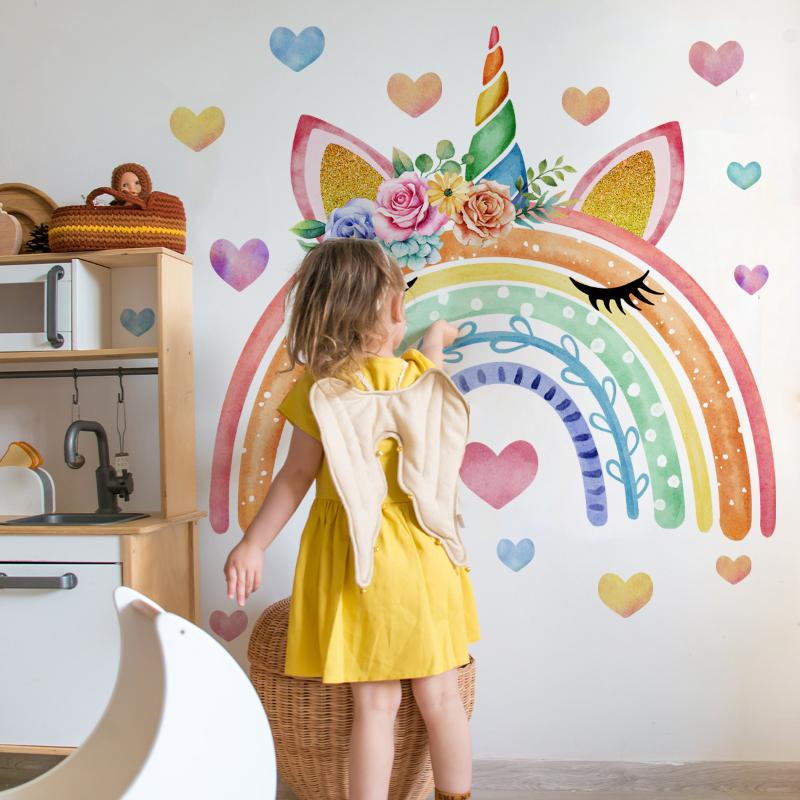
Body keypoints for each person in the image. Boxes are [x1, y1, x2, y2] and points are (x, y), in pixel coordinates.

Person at [224, 237, 479, 800]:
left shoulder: (322, 391)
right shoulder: (419, 378)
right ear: (395, 310)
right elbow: (432, 363)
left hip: (361, 566)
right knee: (440, 697)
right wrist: (436, 338)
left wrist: (253, 543)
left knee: (376, 705)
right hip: (427, 558)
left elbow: (295, 477)